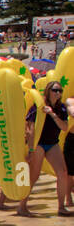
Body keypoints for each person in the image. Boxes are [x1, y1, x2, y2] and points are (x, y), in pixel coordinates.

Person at [18, 82, 70, 217]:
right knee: (34, 176)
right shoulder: (38, 105)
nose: (58, 93)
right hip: (38, 144)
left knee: (63, 173)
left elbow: (64, 127)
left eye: (60, 91)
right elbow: (30, 129)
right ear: (48, 91)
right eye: (55, 90)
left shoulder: (61, 108)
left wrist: (52, 114)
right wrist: (30, 150)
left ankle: (61, 206)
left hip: (52, 143)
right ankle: (22, 206)